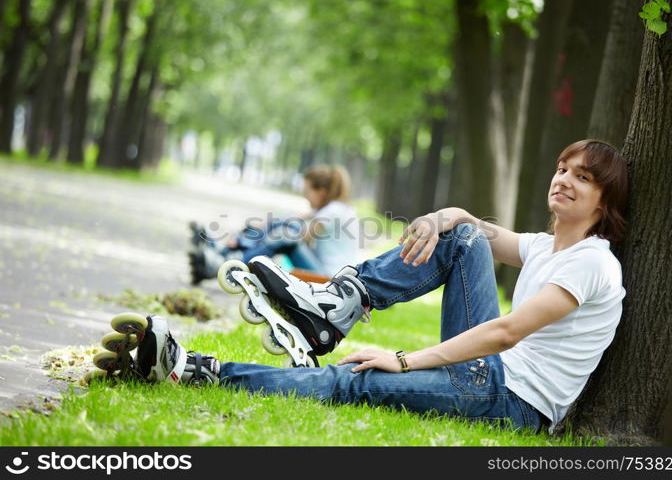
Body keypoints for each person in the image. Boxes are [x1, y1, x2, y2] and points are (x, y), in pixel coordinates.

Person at [149, 139, 628, 434]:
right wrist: (438, 217)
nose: (564, 180)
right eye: (563, 169)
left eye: (582, 178)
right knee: (459, 235)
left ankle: (199, 371)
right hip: (491, 375)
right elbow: (467, 229)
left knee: (354, 382)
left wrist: (404, 361)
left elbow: (506, 333)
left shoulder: (593, 263)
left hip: (514, 401)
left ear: (604, 201)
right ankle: (339, 305)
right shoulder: (545, 247)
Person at [188, 165, 360, 284]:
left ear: (321, 192)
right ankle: (221, 254)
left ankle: (224, 264)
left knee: (287, 238)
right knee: (283, 225)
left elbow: (302, 237)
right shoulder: (333, 209)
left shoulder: (333, 211)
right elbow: (289, 219)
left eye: (307, 192)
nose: (305, 197)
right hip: (326, 272)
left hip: (329, 279)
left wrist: (263, 232)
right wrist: (265, 226)